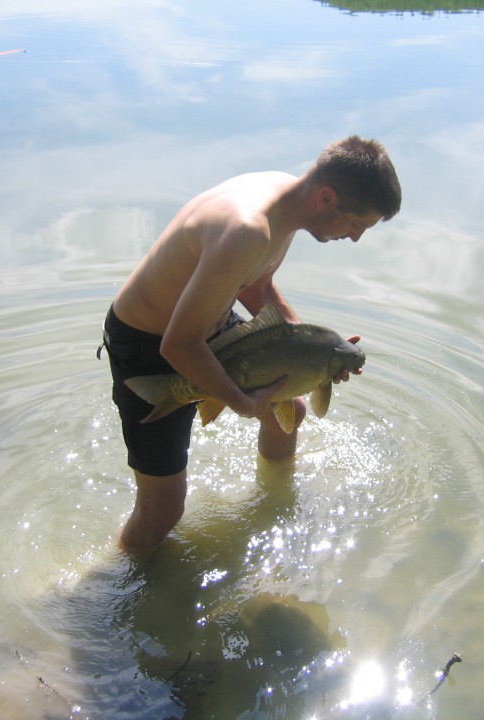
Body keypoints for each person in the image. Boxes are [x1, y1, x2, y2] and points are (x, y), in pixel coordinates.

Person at [100, 135, 402, 557]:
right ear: (328, 198)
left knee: (289, 412)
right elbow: (179, 346)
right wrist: (241, 401)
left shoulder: (290, 202)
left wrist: (311, 347)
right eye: (356, 225)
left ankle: (273, 500)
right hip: (151, 343)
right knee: (163, 509)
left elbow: (255, 283)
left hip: (207, 322)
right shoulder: (247, 229)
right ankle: (116, 584)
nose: (354, 239)